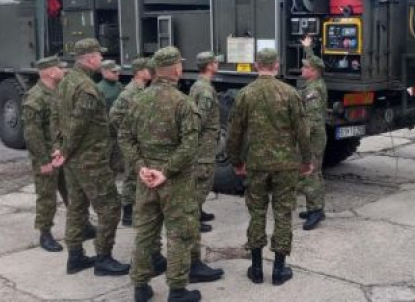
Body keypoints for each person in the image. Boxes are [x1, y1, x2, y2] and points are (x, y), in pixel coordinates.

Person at [118, 46, 219, 302]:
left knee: (145, 234)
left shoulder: (138, 99)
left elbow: (124, 137)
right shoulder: (182, 102)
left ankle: (140, 287)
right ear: (176, 69)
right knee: (179, 235)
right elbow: (190, 145)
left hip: (146, 180)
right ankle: (177, 290)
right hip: (175, 182)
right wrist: (166, 172)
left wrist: (140, 166)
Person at [227, 48, 313, 286]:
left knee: (257, 212)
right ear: (277, 65)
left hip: (256, 164)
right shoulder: (290, 93)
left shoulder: (245, 94)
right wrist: (307, 160)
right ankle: (278, 270)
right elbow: (302, 132)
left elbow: (234, 133)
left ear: (256, 66)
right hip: (285, 165)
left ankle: (256, 269)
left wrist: (236, 161)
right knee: (283, 213)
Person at [52, 38, 129, 276]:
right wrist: (64, 150)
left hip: (74, 159)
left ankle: (75, 257)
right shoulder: (86, 87)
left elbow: (55, 117)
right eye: (99, 55)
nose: (102, 58)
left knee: (77, 207)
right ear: (90, 58)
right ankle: (103, 258)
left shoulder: (65, 82)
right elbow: (78, 125)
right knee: (110, 207)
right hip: (89, 159)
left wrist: (60, 148)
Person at [108, 57, 168, 277]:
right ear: (139, 72)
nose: (150, 71)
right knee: (131, 178)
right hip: (134, 146)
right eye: (146, 69)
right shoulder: (130, 92)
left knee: (136, 179)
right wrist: (131, 132)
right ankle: (128, 211)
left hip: (141, 146)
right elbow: (115, 115)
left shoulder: (143, 90)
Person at [22, 56, 68, 252]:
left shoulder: (59, 91)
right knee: (47, 196)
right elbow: (32, 134)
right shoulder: (35, 97)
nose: (64, 71)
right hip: (47, 155)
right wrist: (43, 160)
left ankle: (81, 225)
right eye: (60, 68)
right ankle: (45, 233)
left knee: (73, 192)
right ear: (50, 72)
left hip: (63, 153)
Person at [189, 52, 222, 233]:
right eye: (215, 62)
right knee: (203, 180)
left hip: (203, 142)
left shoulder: (198, 85)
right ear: (209, 65)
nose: (217, 64)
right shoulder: (205, 90)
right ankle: (193, 219)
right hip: (204, 144)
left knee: (201, 179)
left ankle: (198, 211)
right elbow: (200, 119)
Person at [298, 35, 328, 230]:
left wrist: (302, 141)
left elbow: (312, 121)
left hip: (313, 138)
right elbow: (314, 61)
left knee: (311, 172)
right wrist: (308, 48)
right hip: (315, 136)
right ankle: (315, 207)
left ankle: (315, 211)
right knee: (314, 172)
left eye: (305, 68)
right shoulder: (314, 83)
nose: (302, 69)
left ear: (314, 72)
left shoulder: (313, 91)